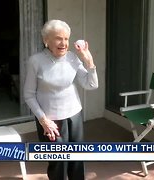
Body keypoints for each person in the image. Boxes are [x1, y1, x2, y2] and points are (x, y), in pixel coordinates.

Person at [24, 19, 98, 180]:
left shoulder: (72, 58)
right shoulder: (35, 61)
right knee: (58, 161)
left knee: (77, 159)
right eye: (58, 38)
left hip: (74, 115)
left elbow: (91, 84)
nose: (63, 43)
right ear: (46, 40)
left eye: (66, 39)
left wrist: (89, 61)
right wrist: (43, 120)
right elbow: (29, 94)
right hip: (50, 120)